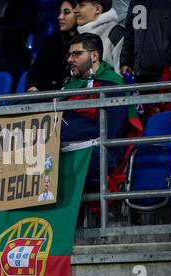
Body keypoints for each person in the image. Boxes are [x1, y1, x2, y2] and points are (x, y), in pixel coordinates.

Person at [61, 32, 130, 179]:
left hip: (101, 152)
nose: (70, 60)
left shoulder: (111, 85)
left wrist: (63, 135)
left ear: (94, 56)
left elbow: (106, 132)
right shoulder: (70, 87)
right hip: (68, 147)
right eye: (69, 55)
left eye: (76, 54)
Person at [120, 0, 171, 83]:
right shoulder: (136, 1)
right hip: (140, 72)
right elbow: (130, 33)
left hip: (168, 73)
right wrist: (126, 62)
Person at [25, 0, 78, 92]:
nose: (60, 17)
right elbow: (35, 71)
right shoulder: (51, 42)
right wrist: (33, 86)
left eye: (66, 12)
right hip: (46, 94)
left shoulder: (87, 41)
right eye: (60, 13)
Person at [74, 0, 124, 73]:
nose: (75, 10)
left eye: (81, 5)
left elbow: (121, 77)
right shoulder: (79, 37)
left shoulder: (116, 34)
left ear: (97, 9)